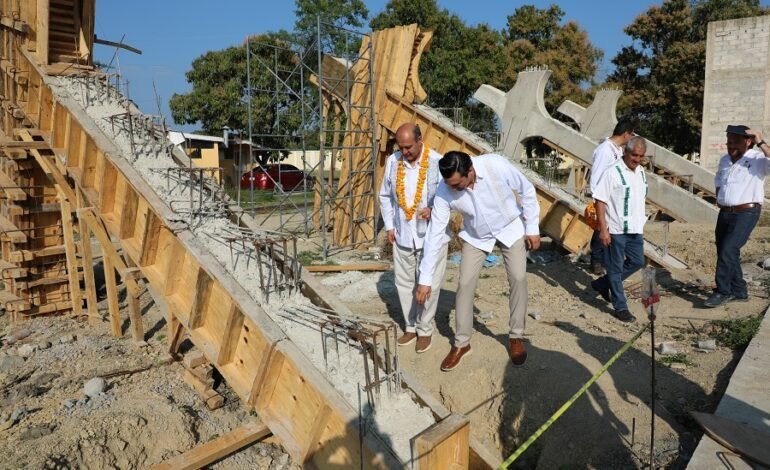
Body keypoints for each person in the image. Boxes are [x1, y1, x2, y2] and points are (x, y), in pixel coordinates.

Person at [416, 151, 540, 371]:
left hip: (510, 227)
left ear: (470, 171)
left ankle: (516, 337)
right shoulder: (445, 190)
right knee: (464, 284)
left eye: (458, 184)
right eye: (450, 185)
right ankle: (461, 343)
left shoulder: (494, 165)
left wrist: (532, 228)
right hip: (476, 236)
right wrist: (425, 279)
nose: (454, 189)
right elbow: (435, 234)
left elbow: (527, 189)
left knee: (518, 277)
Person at [379, 123, 449, 353]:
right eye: (401, 147)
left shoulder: (437, 162)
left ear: (420, 141)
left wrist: (433, 210)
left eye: (409, 147)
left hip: (431, 236)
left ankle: (425, 330)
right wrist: (390, 225)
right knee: (404, 283)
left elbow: (450, 198)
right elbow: (385, 196)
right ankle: (410, 327)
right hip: (402, 234)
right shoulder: (393, 162)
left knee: (429, 286)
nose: (405, 151)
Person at [704, 124, 770, 307]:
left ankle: (722, 291)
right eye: (729, 142)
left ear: (747, 142)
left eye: (735, 142)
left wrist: (761, 141)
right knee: (725, 251)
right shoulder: (725, 160)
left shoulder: (758, 159)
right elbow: (719, 180)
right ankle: (739, 291)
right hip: (725, 212)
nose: (731, 146)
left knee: (729, 249)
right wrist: (720, 197)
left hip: (746, 212)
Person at [590, 136, 649, 323]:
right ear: (626, 152)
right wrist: (603, 230)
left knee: (638, 261)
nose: (637, 159)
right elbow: (600, 200)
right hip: (616, 229)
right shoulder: (612, 172)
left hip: (635, 229)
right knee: (615, 268)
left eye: (640, 156)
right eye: (634, 155)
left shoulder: (641, 172)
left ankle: (603, 283)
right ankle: (620, 307)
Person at [588, 118, 637, 275]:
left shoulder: (617, 150)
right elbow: (596, 177)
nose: (632, 138)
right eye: (632, 134)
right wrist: (598, 200)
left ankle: (605, 261)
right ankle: (596, 261)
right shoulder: (605, 150)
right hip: (605, 198)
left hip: (615, 198)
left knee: (610, 230)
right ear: (626, 134)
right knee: (602, 229)